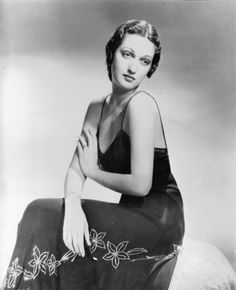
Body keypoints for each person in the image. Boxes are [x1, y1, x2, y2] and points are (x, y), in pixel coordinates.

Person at [2, 19, 185, 290]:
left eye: (145, 61)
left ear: (150, 68)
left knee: (41, 212)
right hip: (130, 211)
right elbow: (76, 169)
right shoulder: (95, 109)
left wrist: (94, 171)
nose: (134, 68)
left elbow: (140, 184)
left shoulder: (142, 106)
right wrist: (73, 205)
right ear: (112, 53)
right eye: (127, 54)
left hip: (159, 219)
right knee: (42, 212)